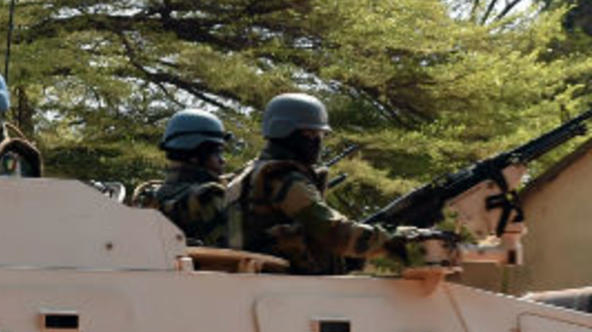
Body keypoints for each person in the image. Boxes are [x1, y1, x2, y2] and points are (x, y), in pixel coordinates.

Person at [228, 92, 452, 274]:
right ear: (285, 132)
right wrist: (400, 238)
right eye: (310, 133)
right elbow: (335, 233)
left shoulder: (247, 174)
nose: (317, 142)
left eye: (320, 135)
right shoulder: (284, 178)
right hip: (286, 286)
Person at [133, 109, 231, 245]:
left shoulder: (148, 195)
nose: (222, 160)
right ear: (195, 156)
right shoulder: (208, 196)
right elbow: (234, 250)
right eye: (217, 152)